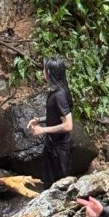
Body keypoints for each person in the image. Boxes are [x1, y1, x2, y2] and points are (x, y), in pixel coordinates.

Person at [28, 57, 74, 188]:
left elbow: (68, 125)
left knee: (62, 187)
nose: (42, 71)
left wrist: (43, 130)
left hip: (60, 150)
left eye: (44, 69)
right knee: (48, 186)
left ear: (48, 72)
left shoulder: (59, 95)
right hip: (51, 145)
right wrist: (39, 120)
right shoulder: (56, 91)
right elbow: (56, 116)